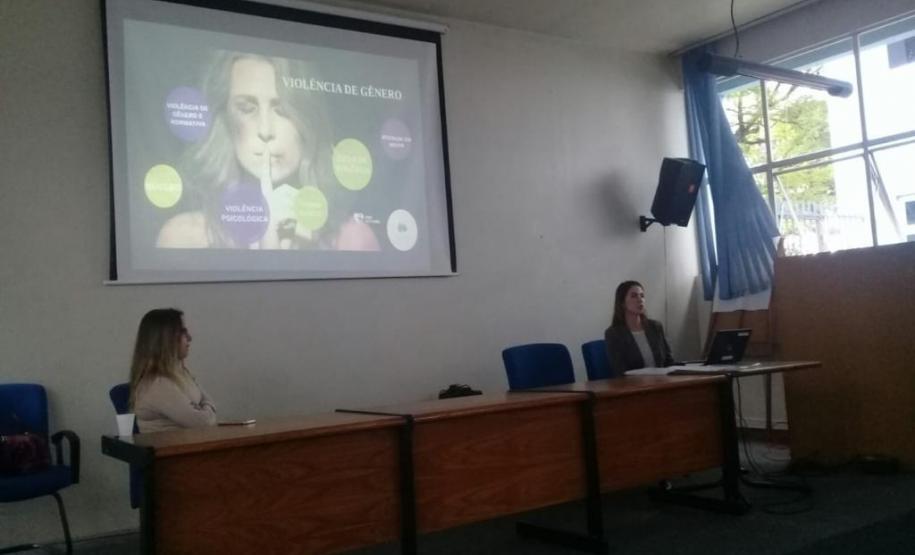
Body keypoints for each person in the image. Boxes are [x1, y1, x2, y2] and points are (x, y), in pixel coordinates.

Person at [157, 50, 378, 251]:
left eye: (283, 110)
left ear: (308, 119)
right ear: (225, 119)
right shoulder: (183, 238)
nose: (265, 130)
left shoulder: (354, 239)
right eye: (247, 108)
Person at [128, 308, 217, 433]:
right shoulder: (157, 384)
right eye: (183, 332)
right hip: (172, 445)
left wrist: (202, 408)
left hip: (194, 442)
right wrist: (203, 408)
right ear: (166, 339)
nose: (190, 338)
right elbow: (204, 422)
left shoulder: (182, 373)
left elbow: (207, 410)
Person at [604, 280, 675, 376]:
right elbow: (620, 371)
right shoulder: (614, 334)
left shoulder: (655, 327)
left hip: (663, 381)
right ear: (622, 303)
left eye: (642, 296)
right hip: (634, 384)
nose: (640, 299)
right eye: (634, 296)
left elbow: (669, 361)